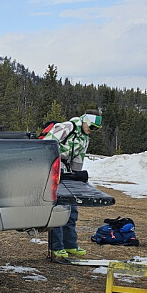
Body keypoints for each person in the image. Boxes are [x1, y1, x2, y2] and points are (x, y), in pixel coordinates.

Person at [46, 110, 102, 263]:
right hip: (53, 171)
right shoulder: (65, 127)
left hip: (68, 173)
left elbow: (78, 159)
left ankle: (70, 244)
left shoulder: (85, 138)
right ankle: (56, 247)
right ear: (84, 120)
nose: (92, 130)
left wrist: (77, 180)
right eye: (91, 126)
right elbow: (46, 145)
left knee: (72, 209)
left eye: (96, 129)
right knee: (59, 210)